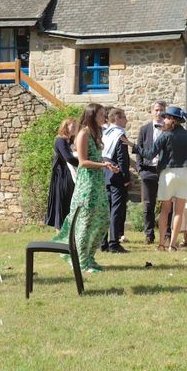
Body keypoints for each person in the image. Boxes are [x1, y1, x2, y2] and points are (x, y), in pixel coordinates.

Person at [53, 103, 120, 273]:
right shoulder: (83, 134)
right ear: (92, 116)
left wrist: (107, 165)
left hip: (97, 181)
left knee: (103, 219)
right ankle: (82, 262)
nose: (104, 118)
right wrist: (103, 164)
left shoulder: (96, 133)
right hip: (87, 184)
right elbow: (82, 162)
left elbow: (96, 157)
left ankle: (90, 257)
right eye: (101, 115)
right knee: (86, 222)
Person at [126, 105, 187, 252]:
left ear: (172, 119)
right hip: (184, 174)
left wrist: (133, 145)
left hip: (168, 173)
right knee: (178, 212)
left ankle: (161, 244)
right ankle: (172, 244)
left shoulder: (165, 135)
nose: (163, 119)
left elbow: (150, 153)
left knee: (165, 210)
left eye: (166, 117)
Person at [135, 100, 167, 244]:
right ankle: (149, 234)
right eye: (156, 110)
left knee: (166, 204)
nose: (158, 112)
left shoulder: (168, 129)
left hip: (164, 171)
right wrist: (140, 169)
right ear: (152, 111)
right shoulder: (144, 129)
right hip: (148, 170)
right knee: (148, 204)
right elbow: (139, 150)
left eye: (161, 110)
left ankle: (167, 233)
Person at [100, 108, 131, 254]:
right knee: (116, 211)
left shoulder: (105, 132)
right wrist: (126, 177)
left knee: (106, 209)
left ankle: (103, 242)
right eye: (124, 117)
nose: (126, 120)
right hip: (116, 174)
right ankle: (113, 243)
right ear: (117, 118)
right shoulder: (119, 134)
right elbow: (122, 158)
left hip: (105, 172)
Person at [44, 118, 79, 232]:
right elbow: (68, 157)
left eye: (75, 126)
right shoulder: (60, 140)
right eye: (72, 126)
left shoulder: (70, 141)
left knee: (69, 202)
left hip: (69, 175)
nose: (74, 128)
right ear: (66, 127)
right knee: (61, 202)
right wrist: (83, 163)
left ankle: (68, 232)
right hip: (62, 176)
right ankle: (59, 232)